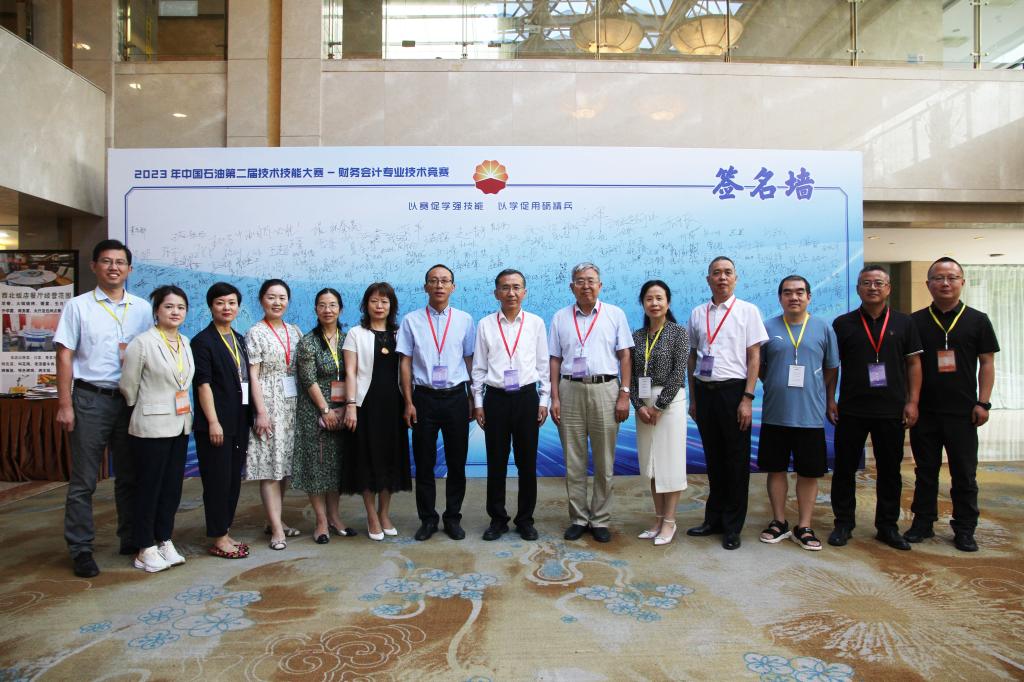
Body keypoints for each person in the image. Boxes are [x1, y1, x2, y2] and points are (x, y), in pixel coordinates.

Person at [54, 239, 153, 578]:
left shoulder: (142, 309)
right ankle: (81, 548)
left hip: (130, 401)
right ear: (94, 266)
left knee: (129, 475)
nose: (114, 267)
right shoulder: (78, 306)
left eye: (120, 262)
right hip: (90, 399)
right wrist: (65, 403)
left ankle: (130, 538)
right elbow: (64, 355)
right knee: (84, 480)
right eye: (107, 261)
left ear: (129, 269)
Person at [906, 258, 999, 552]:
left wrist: (983, 402)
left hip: (963, 412)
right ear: (928, 284)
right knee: (925, 471)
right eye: (939, 278)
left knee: (964, 474)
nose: (945, 283)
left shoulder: (978, 320)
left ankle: (965, 528)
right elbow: (910, 364)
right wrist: (911, 402)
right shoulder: (915, 321)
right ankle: (922, 523)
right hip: (926, 411)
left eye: (952, 277)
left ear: (962, 282)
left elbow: (987, 363)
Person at [829, 264, 922, 551]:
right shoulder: (843, 324)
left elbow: (914, 363)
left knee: (890, 471)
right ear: (858, 288)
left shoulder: (905, 323)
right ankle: (843, 523)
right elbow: (833, 366)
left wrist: (913, 401)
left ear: (888, 288)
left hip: (891, 409)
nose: (873, 288)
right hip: (851, 409)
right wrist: (830, 399)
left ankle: (887, 526)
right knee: (844, 469)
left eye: (879, 283)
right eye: (867, 283)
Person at [685, 256, 768, 550]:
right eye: (716, 273)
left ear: (735, 278)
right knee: (714, 459)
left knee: (735, 461)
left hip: (734, 393)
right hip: (705, 392)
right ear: (708, 279)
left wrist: (747, 398)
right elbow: (692, 356)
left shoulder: (748, 311)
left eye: (727, 273)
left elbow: (754, 356)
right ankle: (714, 519)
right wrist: (694, 398)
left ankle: (732, 527)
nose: (722, 277)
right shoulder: (698, 313)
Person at [549, 262, 634, 543]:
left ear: (600, 285)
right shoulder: (560, 317)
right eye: (580, 281)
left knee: (604, 460)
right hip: (570, 389)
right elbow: (555, 359)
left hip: (605, 389)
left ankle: (599, 519)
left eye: (591, 280)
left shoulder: (615, 314)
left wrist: (624, 394)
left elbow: (625, 356)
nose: (586, 285)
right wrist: (554, 397)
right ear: (571, 286)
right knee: (573, 460)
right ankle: (578, 518)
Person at [757, 275, 839, 551]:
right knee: (776, 469)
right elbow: (760, 366)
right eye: (788, 292)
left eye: (800, 292)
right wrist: (775, 382)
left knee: (809, 473)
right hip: (775, 413)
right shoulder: (767, 328)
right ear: (780, 297)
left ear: (809, 297)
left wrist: (821, 393)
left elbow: (831, 367)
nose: (794, 297)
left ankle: (804, 526)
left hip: (810, 415)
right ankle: (779, 522)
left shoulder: (823, 328)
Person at [119, 285, 195, 573]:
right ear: (156, 311)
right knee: (148, 487)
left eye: (180, 307)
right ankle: (144, 546)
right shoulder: (143, 343)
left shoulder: (185, 342)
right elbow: (128, 386)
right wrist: (147, 407)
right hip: (151, 426)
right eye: (169, 306)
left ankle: (164, 539)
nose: (175, 312)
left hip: (180, 424)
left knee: (171, 487)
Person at [397, 264, 476, 541]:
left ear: (453, 287)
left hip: (456, 397)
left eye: (445, 281)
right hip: (423, 398)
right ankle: (428, 519)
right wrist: (408, 402)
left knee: (457, 462)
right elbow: (405, 363)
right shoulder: (411, 320)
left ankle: (453, 518)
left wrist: (472, 397)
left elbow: (469, 359)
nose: (439, 285)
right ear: (425, 287)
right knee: (424, 462)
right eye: (434, 281)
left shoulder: (465, 320)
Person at [471, 269, 550, 542]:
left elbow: (543, 365)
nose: (511, 293)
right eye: (505, 287)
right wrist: (478, 403)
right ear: (496, 293)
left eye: (516, 287)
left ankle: (525, 520)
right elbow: (479, 368)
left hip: (527, 398)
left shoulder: (536, 323)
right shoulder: (485, 325)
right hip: (496, 399)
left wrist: (544, 399)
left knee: (527, 463)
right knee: (496, 462)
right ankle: (498, 519)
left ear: (524, 292)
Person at [342, 282, 412, 541]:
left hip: (393, 405)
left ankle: (384, 513)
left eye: (384, 301)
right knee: (367, 459)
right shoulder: (355, 333)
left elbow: (406, 370)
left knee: (389, 459)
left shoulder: (399, 334)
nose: (379, 306)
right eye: (374, 301)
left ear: (391, 306)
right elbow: (350, 372)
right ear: (366, 305)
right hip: (366, 405)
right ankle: (371, 515)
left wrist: (409, 402)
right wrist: (351, 405)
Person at [191, 282, 253, 559]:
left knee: (232, 480)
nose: (226, 308)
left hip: (238, 420)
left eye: (231, 303)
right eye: (220, 303)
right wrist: (213, 422)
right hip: (216, 424)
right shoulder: (203, 341)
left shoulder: (238, 338)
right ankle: (218, 537)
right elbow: (203, 384)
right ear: (210, 306)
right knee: (217, 481)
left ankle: (224, 531)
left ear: (238, 307)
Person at [293, 288, 357, 544]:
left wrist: (345, 408)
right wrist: (325, 410)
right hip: (315, 411)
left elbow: (354, 373)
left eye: (332, 305)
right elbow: (308, 379)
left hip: (344, 409)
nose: (327, 310)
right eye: (322, 305)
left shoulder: (348, 339)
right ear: (316, 309)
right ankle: (321, 521)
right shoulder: (308, 342)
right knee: (317, 467)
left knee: (335, 467)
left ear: (340, 308)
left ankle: (335, 517)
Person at [629, 280, 689, 546]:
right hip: (644, 407)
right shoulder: (636, 337)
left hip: (670, 405)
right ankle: (658, 519)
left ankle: (670, 521)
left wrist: (659, 406)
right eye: (649, 299)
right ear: (643, 303)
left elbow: (678, 374)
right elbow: (630, 376)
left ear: (668, 302)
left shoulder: (678, 333)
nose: (654, 303)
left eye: (659, 298)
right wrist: (639, 405)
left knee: (670, 463)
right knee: (651, 464)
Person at [245, 279, 304, 551]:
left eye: (282, 297)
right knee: (270, 468)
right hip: (269, 404)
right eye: (271, 297)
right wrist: (260, 412)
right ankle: (277, 530)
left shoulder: (294, 331)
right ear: (261, 300)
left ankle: (275, 520)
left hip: (291, 406)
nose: (277, 302)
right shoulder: (255, 332)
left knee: (284, 468)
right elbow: (253, 376)